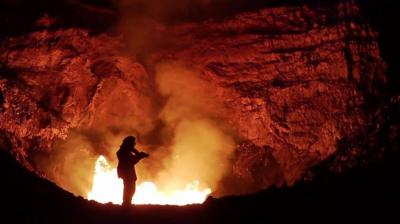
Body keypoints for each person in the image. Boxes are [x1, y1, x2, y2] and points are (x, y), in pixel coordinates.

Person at [116, 136, 149, 206]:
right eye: (133, 143)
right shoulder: (123, 152)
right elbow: (131, 161)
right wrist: (139, 156)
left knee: (130, 188)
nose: (134, 144)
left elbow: (132, 160)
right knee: (129, 188)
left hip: (128, 172)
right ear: (129, 143)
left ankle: (127, 203)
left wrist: (139, 155)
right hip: (126, 173)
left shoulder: (126, 151)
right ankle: (126, 203)